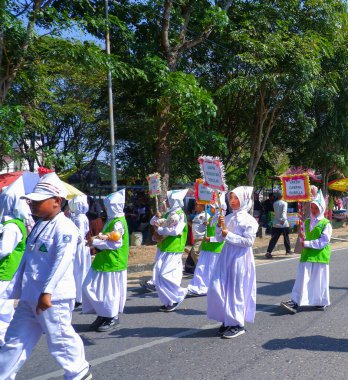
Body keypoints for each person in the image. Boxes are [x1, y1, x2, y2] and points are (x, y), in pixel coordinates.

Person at [0, 172, 91, 380]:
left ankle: (79, 372)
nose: (32, 204)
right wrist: (17, 289)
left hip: (52, 298)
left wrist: (47, 292)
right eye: (32, 200)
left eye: (39, 201)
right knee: (15, 340)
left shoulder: (65, 227)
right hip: (30, 296)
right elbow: (28, 260)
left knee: (59, 338)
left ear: (57, 201)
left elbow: (62, 261)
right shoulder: (40, 224)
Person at [207, 186, 259, 339]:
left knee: (236, 289)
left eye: (236, 198)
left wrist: (228, 235)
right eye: (231, 198)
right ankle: (227, 319)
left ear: (243, 200)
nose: (232, 201)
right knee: (218, 286)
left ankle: (237, 324)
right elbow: (220, 237)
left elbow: (248, 241)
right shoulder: (228, 217)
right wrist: (219, 227)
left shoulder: (249, 220)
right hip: (226, 256)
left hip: (240, 258)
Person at [83, 189, 129, 332]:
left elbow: (117, 243)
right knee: (90, 287)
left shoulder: (118, 223)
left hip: (113, 262)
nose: (105, 208)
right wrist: (96, 239)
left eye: (108, 206)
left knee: (109, 292)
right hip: (103, 260)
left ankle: (111, 317)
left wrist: (95, 242)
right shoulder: (112, 220)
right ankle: (103, 314)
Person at [280, 190, 332, 314]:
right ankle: (295, 301)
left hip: (320, 256)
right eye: (312, 207)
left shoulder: (326, 224)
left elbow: (324, 241)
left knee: (319, 281)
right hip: (307, 255)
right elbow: (302, 239)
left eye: (316, 208)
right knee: (302, 279)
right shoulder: (306, 222)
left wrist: (307, 243)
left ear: (322, 208)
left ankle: (320, 301)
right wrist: (301, 237)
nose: (313, 210)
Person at [151, 189, 188, 312]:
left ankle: (178, 295)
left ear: (174, 201)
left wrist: (160, 230)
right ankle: (169, 301)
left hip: (174, 249)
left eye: (168, 199)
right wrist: (156, 219)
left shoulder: (180, 215)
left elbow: (176, 231)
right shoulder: (168, 213)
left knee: (165, 275)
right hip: (164, 248)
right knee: (158, 276)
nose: (166, 201)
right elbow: (154, 222)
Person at [0, 193, 29, 346]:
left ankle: (4, 339)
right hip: (7, 270)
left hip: (4, 270)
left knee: (2, 309)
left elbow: (4, 250)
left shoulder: (11, 226)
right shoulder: (15, 223)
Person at [187, 194, 226, 296]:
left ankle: (208, 287)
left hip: (215, 249)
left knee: (211, 271)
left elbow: (222, 237)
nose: (211, 208)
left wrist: (210, 239)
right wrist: (203, 224)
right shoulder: (210, 218)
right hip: (206, 248)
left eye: (213, 207)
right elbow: (200, 230)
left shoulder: (222, 220)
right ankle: (198, 286)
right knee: (201, 268)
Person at [69, 195, 91, 309]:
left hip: (78, 247)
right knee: (79, 270)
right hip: (80, 246)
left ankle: (79, 296)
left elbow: (79, 236)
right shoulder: (78, 217)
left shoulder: (79, 218)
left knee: (79, 271)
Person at [265, 193, 291, 259]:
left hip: (276, 223)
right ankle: (288, 251)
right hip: (283, 223)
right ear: (282, 196)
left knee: (273, 239)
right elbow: (284, 213)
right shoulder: (285, 203)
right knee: (286, 238)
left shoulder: (274, 203)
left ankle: (269, 251)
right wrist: (283, 220)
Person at [183, 202, 207, 275]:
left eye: (197, 205)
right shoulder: (197, 215)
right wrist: (188, 221)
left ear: (202, 206)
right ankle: (198, 269)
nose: (195, 206)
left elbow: (207, 227)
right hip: (196, 238)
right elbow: (194, 226)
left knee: (195, 252)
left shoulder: (205, 215)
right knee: (194, 254)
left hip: (201, 238)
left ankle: (202, 270)